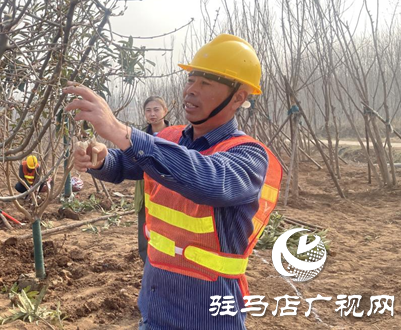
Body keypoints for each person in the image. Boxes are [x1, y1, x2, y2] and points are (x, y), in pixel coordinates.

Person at [64, 34, 282, 330]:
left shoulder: (248, 155)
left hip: (209, 315)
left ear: (239, 98)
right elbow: (128, 163)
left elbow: (207, 179)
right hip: (156, 305)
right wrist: (102, 159)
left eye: (206, 84)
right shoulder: (168, 139)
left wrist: (120, 130)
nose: (191, 90)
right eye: (191, 80)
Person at [134, 97, 170, 264]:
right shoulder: (138, 136)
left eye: (156, 109)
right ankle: (148, 263)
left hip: (169, 192)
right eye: (148, 110)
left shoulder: (178, 135)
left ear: (165, 111)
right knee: (146, 230)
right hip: (146, 191)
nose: (152, 114)